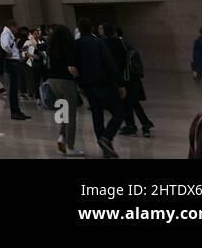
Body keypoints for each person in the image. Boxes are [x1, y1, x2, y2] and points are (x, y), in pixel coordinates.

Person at [75, 17, 125, 158]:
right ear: (91, 29)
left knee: (97, 115)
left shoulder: (76, 45)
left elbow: (74, 67)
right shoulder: (98, 43)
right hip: (104, 84)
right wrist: (120, 83)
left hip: (88, 86)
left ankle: (104, 146)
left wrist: (80, 84)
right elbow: (109, 63)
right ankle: (107, 138)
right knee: (119, 113)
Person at [106, 26, 153, 138]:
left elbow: (118, 63)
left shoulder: (119, 44)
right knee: (132, 103)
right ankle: (138, 125)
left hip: (126, 79)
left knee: (129, 103)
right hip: (131, 79)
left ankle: (139, 125)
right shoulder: (124, 43)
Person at [46, 24, 85, 156]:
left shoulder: (51, 47)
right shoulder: (68, 47)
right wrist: (80, 81)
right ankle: (70, 147)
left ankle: (62, 137)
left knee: (64, 111)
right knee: (71, 115)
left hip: (53, 81)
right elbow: (71, 68)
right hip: (66, 81)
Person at [0, 19, 30, 121]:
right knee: (13, 89)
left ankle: (17, 110)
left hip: (14, 62)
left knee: (15, 88)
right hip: (12, 63)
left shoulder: (8, 34)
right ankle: (14, 112)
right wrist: (9, 52)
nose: (17, 30)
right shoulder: (6, 34)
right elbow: (5, 45)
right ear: (12, 26)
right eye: (16, 28)